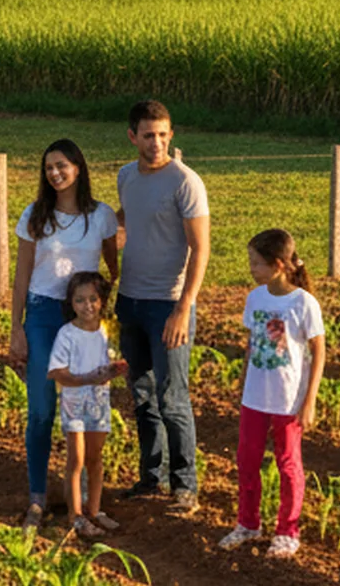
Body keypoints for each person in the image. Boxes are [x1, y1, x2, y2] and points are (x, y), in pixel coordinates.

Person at [7, 138, 120, 528]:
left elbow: (112, 266)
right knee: (41, 409)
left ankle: (88, 500)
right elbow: (21, 275)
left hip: (84, 320)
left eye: (62, 165)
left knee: (89, 408)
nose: (55, 173)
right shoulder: (35, 216)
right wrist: (16, 328)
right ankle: (37, 497)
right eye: (49, 167)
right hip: (41, 313)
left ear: (78, 167)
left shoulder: (101, 216)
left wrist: (104, 313)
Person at [114, 99, 210, 513]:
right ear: (133, 136)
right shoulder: (125, 177)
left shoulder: (185, 182)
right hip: (129, 301)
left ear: (172, 135)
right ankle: (151, 478)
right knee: (142, 396)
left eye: (163, 135)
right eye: (148, 135)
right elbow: (124, 221)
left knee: (173, 398)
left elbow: (200, 248)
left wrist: (183, 308)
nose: (156, 143)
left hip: (167, 304)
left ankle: (184, 485)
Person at [219, 229, 325, 559]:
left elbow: (319, 352)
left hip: (288, 399)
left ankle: (287, 531)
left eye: (256, 263)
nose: (251, 268)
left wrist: (309, 400)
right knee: (246, 460)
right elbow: (252, 343)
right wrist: (243, 380)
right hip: (256, 396)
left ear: (278, 264)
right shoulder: (256, 298)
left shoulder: (303, 303)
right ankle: (248, 523)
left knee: (288, 463)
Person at [49, 271, 128, 538]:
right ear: (71, 303)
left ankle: (94, 510)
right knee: (77, 459)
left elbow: (113, 361)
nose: (87, 306)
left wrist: (115, 370)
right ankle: (76, 516)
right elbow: (56, 372)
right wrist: (85, 378)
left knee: (95, 458)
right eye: (80, 300)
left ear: (102, 300)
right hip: (74, 402)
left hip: (99, 401)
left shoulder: (106, 331)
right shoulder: (67, 334)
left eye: (93, 299)